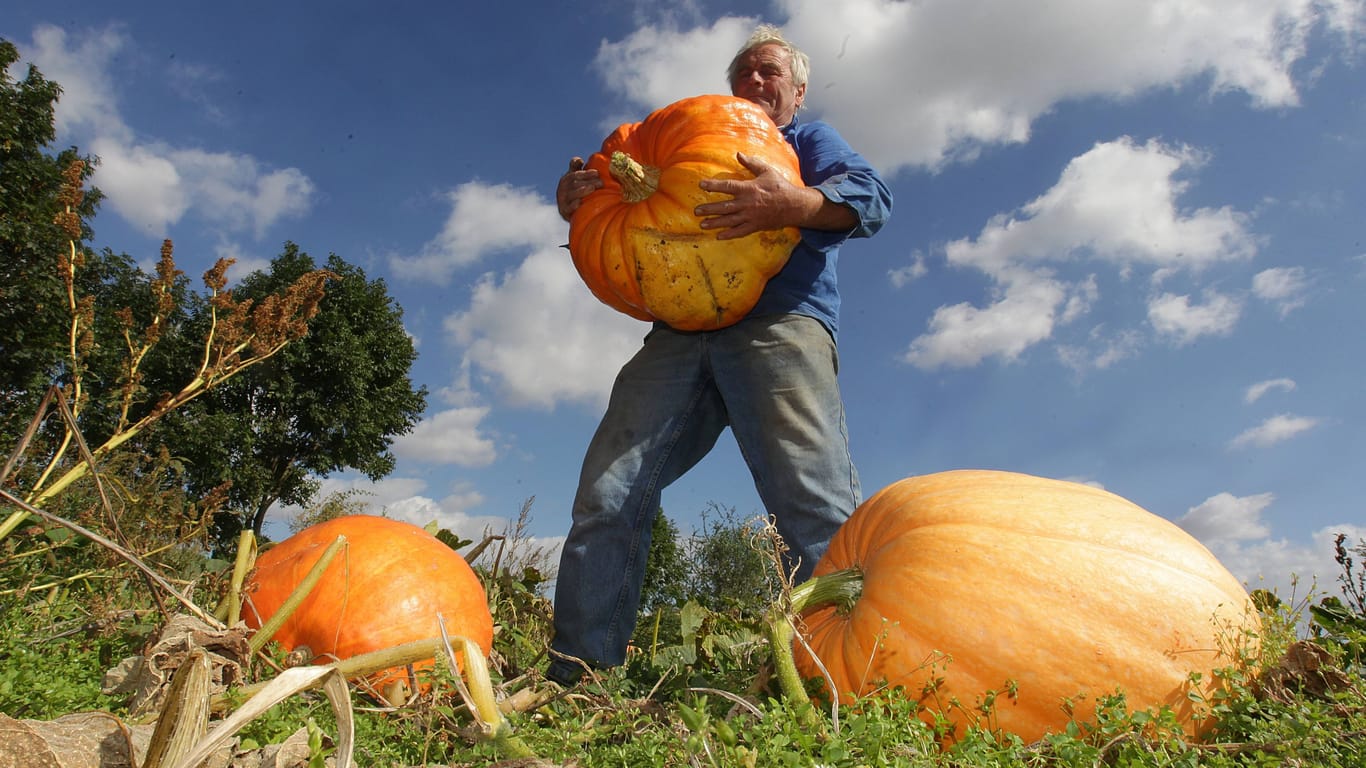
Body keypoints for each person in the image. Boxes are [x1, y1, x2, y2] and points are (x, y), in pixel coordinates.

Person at [547, 24, 892, 686]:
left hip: (780, 325)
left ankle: (846, 679)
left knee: (811, 503)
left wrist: (796, 202)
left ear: (797, 91)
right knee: (607, 493)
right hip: (678, 337)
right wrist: (582, 199)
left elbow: (873, 199)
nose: (756, 82)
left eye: (770, 73)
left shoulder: (807, 143)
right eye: (745, 74)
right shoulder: (683, 144)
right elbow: (618, 227)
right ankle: (579, 677)